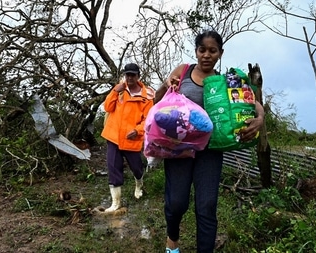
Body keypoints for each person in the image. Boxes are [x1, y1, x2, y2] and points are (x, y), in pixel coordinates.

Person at [153, 30, 265, 253]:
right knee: (177, 203)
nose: (206, 55)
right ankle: (172, 238)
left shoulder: (225, 81)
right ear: (196, 51)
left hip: (210, 151)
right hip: (179, 148)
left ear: (220, 54)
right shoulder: (182, 72)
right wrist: (167, 85)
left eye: (212, 51)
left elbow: (251, 102)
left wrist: (260, 118)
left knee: (206, 206)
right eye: (202, 49)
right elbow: (158, 101)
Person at [100, 63, 155, 212]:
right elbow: (107, 108)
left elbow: (148, 119)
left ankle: (139, 184)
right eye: (127, 75)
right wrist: (114, 91)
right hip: (114, 136)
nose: (129, 78)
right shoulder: (119, 91)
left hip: (132, 139)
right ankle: (115, 203)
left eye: (133, 75)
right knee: (113, 167)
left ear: (138, 76)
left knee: (136, 167)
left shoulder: (146, 97)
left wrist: (137, 131)